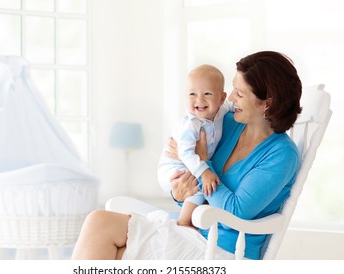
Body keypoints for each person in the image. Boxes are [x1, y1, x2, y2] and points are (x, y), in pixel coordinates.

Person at [71, 51, 302, 260]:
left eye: (239, 94)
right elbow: (185, 161)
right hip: (191, 232)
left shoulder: (282, 155)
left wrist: (203, 163)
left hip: (222, 252)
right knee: (99, 222)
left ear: (267, 104)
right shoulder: (228, 124)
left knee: (111, 251)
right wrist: (179, 190)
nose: (230, 98)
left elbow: (237, 209)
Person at [158, 64, 229, 230]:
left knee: (200, 184)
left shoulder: (223, 111)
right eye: (192, 94)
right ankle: (184, 222)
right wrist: (204, 172)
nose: (199, 99)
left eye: (207, 94)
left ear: (221, 98)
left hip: (191, 162)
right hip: (173, 168)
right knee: (198, 185)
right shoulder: (191, 124)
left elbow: (234, 107)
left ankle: (186, 220)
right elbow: (185, 152)